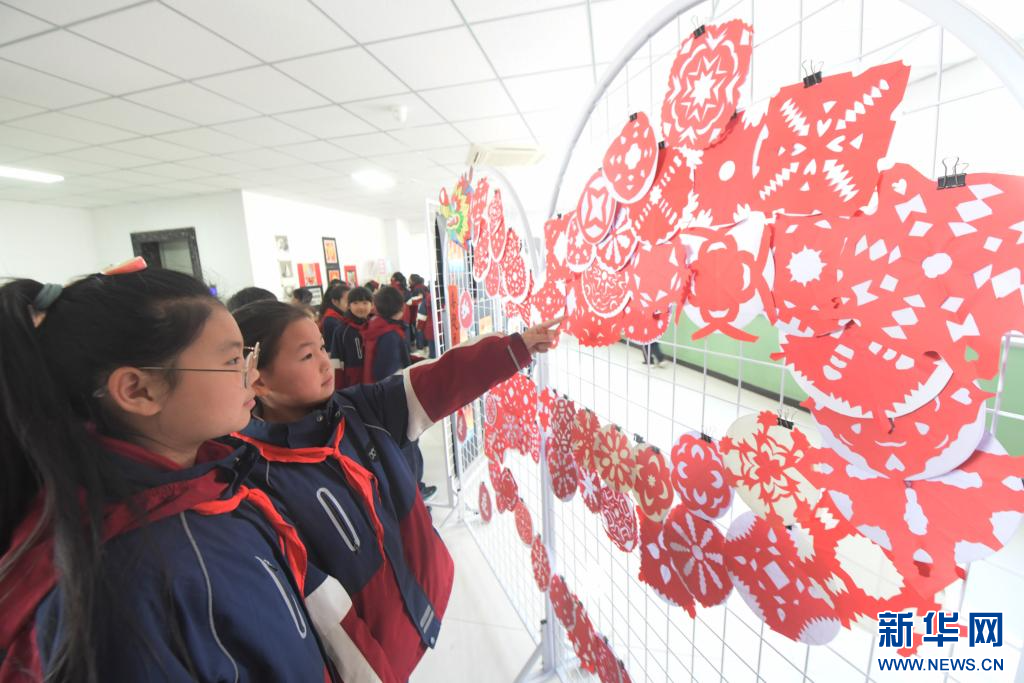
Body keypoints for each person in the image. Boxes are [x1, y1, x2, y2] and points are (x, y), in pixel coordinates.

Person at [0, 263, 372, 683]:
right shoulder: (130, 576)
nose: (251, 375)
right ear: (139, 390)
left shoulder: (207, 483)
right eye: (232, 360)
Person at [231, 299, 560, 682]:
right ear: (259, 380)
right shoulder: (254, 482)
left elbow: (441, 379)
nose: (325, 363)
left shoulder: (359, 409)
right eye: (307, 356)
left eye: (322, 347)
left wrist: (515, 348)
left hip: (425, 591)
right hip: (377, 655)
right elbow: (317, 607)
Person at [329, 286, 372, 389]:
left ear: (372, 305)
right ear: (348, 305)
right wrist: (338, 389)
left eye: (365, 303)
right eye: (355, 303)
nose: (361, 307)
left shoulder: (374, 326)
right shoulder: (342, 330)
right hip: (352, 385)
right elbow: (336, 361)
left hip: (373, 381)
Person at [318, 282, 351, 347]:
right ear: (335, 301)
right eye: (347, 301)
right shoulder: (331, 320)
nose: (351, 304)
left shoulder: (342, 315)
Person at [406, 275, 429, 351]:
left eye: (410, 280)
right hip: (425, 312)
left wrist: (407, 302)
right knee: (423, 329)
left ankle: (420, 347)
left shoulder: (417, 289)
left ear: (413, 281)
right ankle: (425, 345)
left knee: (419, 330)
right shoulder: (424, 287)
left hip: (417, 313)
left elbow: (415, 301)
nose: (408, 281)